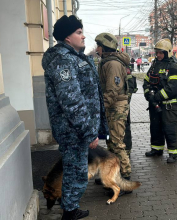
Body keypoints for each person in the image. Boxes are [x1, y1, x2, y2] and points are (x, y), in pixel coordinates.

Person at [42, 15, 108, 219]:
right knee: (76, 170)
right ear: (67, 38)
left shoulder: (74, 57)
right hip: (73, 130)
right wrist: (89, 132)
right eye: (78, 32)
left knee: (74, 169)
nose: (83, 36)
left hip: (76, 128)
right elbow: (71, 101)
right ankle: (69, 211)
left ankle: (70, 206)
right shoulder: (63, 60)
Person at [95, 33, 132, 195]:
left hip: (115, 107)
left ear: (105, 47)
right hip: (111, 107)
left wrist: (101, 108)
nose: (97, 49)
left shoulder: (113, 64)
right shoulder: (106, 62)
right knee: (111, 143)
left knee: (117, 143)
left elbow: (112, 90)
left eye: (99, 46)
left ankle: (125, 178)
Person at [143, 38, 177, 163]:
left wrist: (156, 97)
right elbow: (146, 81)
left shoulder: (173, 67)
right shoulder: (154, 65)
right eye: (157, 52)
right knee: (155, 128)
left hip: (169, 106)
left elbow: (172, 88)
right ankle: (156, 149)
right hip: (155, 105)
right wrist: (148, 95)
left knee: (170, 129)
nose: (158, 55)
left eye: (161, 52)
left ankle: (173, 154)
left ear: (167, 52)